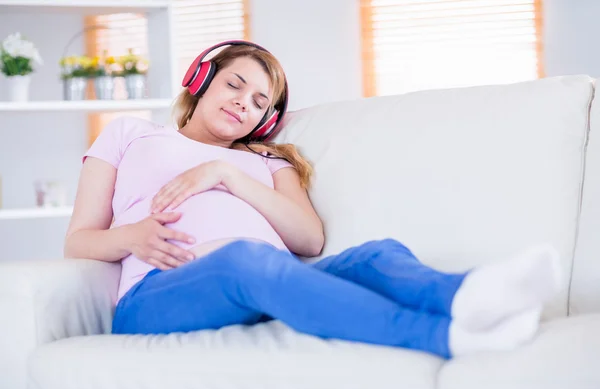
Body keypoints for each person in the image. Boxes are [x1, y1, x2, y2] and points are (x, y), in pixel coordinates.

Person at [64, 40, 563, 360]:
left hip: (265, 277)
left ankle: (470, 295)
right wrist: (132, 237)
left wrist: (224, 174)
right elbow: (78, 241)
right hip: (159, 292)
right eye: (235, 83)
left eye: (259, 101)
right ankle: (443, 337)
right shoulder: (130, 133)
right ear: (201, 80)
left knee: (377, 254)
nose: (244, 100)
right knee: (245, 260)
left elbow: (308, 236)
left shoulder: (267, 161)